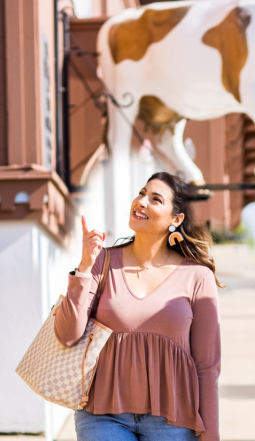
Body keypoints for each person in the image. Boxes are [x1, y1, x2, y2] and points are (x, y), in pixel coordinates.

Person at [55, 172, 222, 441]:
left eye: (155, 199)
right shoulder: (102, 262)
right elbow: (67, 335)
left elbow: (207, 366)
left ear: (175, 219)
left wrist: (211, 435)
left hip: (173, 419)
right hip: (101, 416)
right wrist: (85, 267)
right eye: (141, 193)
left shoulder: (197, 276)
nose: (142, 202)